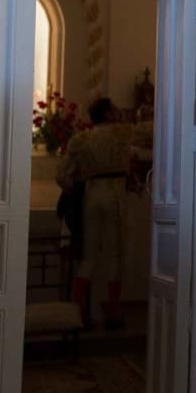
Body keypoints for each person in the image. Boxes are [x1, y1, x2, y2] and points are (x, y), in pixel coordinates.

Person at [56, 97, 132, 328]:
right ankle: (112, 310)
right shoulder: (123, 133)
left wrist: (76, 189)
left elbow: (61, 176)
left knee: (88, 256)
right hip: (115, 194)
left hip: (91, 194)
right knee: (115, 255)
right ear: (108, 114)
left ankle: (76, 312)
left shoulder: (81, 139)